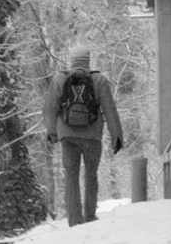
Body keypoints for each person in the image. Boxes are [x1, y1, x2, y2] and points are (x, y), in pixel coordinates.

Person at [44, 45, 123, 227]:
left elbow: (50, 108)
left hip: (67, 136)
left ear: (71, 60)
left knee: (71, 176)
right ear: (88, 59)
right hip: (92, 136)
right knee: (91, 175)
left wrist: (52, 132)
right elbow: (110, 110)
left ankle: (74, 220)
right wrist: (116, 137)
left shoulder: (60, 79)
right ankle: (89, 217)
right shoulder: (99, 80)